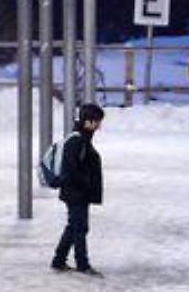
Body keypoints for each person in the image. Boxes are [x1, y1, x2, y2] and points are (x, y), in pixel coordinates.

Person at [51, 103, 105, 276]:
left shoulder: (82, 138)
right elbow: (72, 169)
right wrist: (85, 183)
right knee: (80, 228)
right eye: (96, 121)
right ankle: (83, 264)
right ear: (87, 121)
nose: (98, 125)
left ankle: (59, 260)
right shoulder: (77, 141)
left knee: (73, 226)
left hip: (77, 191)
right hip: (76, 192)